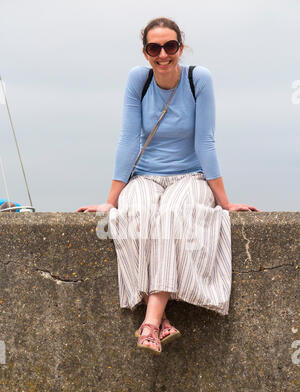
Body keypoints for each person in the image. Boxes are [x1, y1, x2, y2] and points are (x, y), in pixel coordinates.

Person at [76, 17, 259, 355]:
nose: (163, 55)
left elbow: (205, 141)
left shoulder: (197, 79)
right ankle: (159, 322)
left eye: (170, 46)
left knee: (173, 214)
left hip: (190, 176)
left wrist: (224, 202)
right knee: (135, 214)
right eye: (154, 48)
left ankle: (149, 323)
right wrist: (111, 200)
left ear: (181, 47)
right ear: (146, 52)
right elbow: (129, 140)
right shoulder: (138, 80)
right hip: (144, 175)